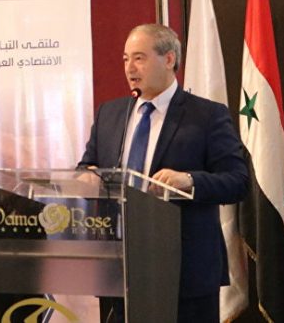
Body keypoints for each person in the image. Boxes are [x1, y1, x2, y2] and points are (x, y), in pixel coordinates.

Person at [78, 23, 249, 322]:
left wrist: (189, 180)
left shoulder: (207, 115)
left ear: (169, 59)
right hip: (120, 267)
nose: (129, 68)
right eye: (125, 59)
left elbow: (238, 181)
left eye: (139, 58)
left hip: (185, 269)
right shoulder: (110, 113)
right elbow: (87, 166)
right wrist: (86, 177)